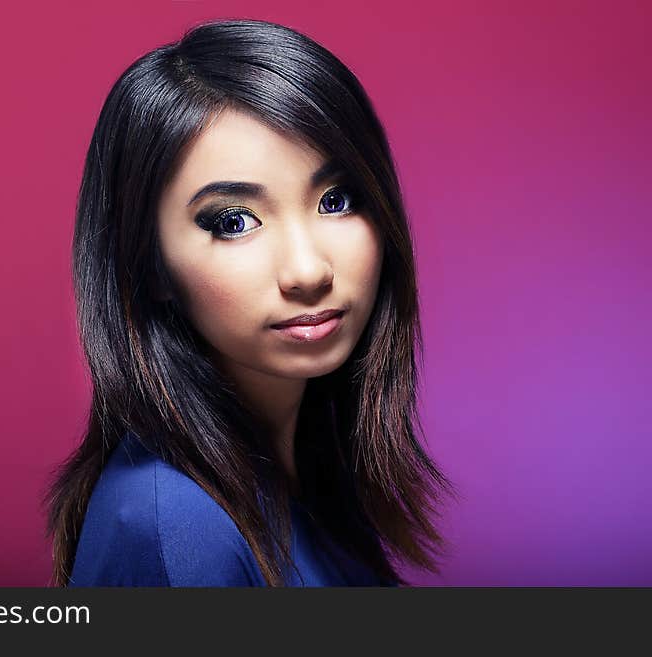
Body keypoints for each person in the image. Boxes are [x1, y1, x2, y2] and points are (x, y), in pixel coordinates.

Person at [46, 18, 454, 586]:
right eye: (234, 221)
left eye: (337, 200)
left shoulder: (304, 477)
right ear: (149, 263)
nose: (308, 270)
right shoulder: (177, 533)